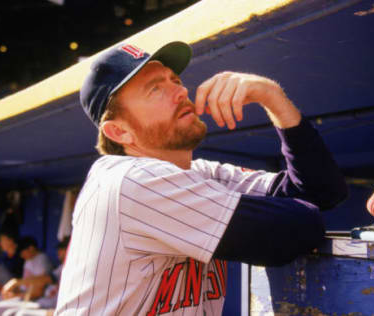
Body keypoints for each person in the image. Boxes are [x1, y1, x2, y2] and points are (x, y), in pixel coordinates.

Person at [54, 41, 348, 315]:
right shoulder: (129, 180)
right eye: (155, 89)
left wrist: (272, 98)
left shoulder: (198, 173)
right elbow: (294, 231)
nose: (180, 92)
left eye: (176, 81)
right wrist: (290, 213)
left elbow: (322, 191)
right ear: (119, 132)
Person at [0, 237, 53, 316]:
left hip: (35, 300)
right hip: (23, 296)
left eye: (22, 252)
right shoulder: (28, 261)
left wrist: (15, 294)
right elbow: (23, 287)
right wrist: (12, 292)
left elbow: (38, 292)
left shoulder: (42, 259)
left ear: (31, 248)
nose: (21, 256)